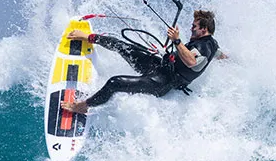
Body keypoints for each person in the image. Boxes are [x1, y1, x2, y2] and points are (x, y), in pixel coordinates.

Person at [61, 10, 226, 114]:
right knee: (123, 46)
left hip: (162, 82)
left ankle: (83, 106)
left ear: (204, 29)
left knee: (115, 82)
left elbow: (191, 61)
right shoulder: (212, 44)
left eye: (194, 26)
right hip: (160, 66)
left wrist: (176, 41)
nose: (191, 28)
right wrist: (227, 59)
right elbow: (217, 54)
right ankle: (89, 37)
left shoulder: (204, 46)